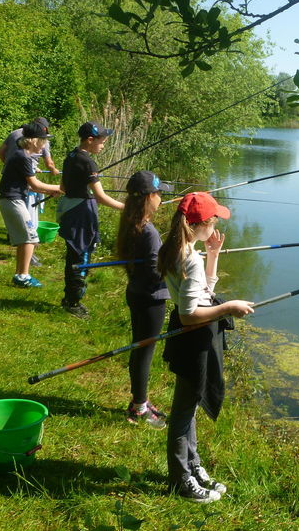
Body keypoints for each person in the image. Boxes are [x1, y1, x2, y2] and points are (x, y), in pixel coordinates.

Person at [158, 191, 254, 503]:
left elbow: (203, 293)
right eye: (214, 220)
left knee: (191, 404)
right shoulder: (189, 260)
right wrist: (229, 308)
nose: (216, 225)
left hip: (191, 335)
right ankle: (180, 480)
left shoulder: (180, 249)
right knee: (183, 412)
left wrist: (212, 256)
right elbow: (189, 316)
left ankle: (193, 465)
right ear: (205, 223)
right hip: (193, 338)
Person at [116, 170, 172, 428]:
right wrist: (177, 267)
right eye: (159, 193)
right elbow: (154, 272)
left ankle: (140, 399)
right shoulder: (149, 231)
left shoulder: (131, 221)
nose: (161, 198)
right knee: (144, 352)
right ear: (149, 197)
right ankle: (139, 407)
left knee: (139, 348)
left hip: (136, 292)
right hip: (150, 299)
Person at [58, 121, 125, 319]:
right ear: (90, 140)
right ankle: (73, 303)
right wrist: (127, 208)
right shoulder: (88, 162)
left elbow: (63, 187)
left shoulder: (71, 156)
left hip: (70, 211)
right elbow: (101, 197)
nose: (103, 145)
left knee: (73, 256)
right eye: (102, 141)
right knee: (82, 257)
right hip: (81, 215)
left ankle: (69, 298)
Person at [0, 122, 63, 287]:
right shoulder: (24, 157)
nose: (44, 145)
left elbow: (27, 184)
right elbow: (35, 185)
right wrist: (62, 188)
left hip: (12, 199)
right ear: (33, 140)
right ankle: (23, 276)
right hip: (13, 200)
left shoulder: (22, 155)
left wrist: (49, 191)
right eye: (43, 141)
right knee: (30, 238)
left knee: (24, 239)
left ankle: (20, 274)